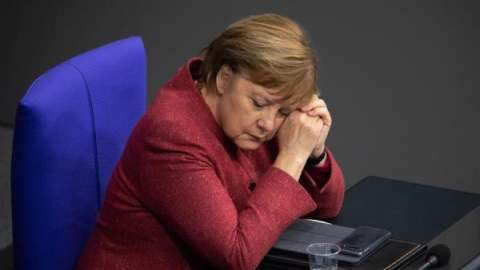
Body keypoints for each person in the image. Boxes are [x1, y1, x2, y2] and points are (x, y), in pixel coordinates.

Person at [76, 13, 344, 270]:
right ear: (223, 77)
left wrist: (313, 154)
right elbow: (237, 255)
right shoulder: (171, 136)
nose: (269, 124)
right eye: (259, 103)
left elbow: (327, 208)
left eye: (284, 112)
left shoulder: (255, 115)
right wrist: (292, 157)